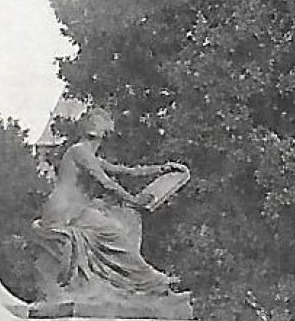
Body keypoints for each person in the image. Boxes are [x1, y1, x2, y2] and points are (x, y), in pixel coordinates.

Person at [29, 108, 188, 304]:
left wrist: (162, 169)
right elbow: (106, 182)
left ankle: (138, 283)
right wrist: (133, 200)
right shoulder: (80, 152)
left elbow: (124, 171)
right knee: (114, 232)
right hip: (65, 211)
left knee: (117, 221)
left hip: (74, 209)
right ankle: (150, 281)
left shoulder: (86, 153)